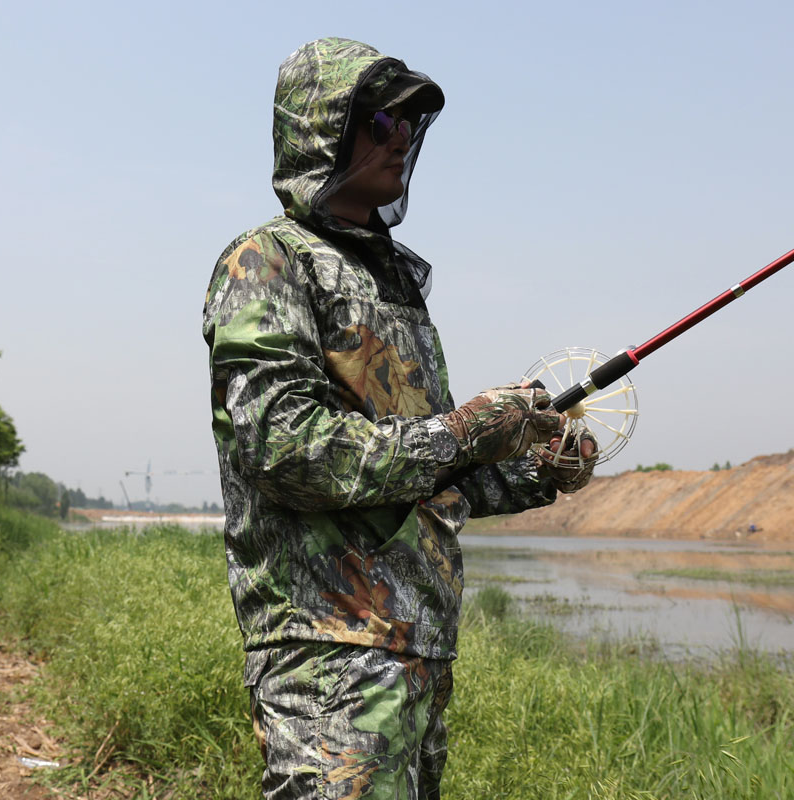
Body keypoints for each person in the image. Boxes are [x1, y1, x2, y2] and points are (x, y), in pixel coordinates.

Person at [203, 37, 596, 800]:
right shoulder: (268, 260)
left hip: (418, 650)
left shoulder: (391, 286)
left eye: (410, 124)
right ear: (322, 129)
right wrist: (465, 428)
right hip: (328, 654)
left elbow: (428, 473)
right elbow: (282, 445)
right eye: (381, 120)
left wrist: (535, 466)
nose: (402, 137)